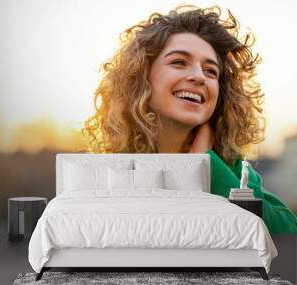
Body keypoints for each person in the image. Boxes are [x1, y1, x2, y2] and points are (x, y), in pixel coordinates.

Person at [82, 5, 297, 234]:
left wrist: (205, 163)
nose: (198, 76)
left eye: (211, 71)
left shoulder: (232, 168)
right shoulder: (110, 169)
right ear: (141, 78)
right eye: (179, 62)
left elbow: (286, 234)